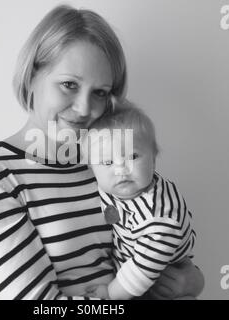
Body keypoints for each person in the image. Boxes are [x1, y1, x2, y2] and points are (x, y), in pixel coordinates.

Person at [0, 5, 204, 300]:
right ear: (32, 75)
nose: (85, 109)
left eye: (100, 92)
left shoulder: (106, 163)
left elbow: (159, 235)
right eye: (69, 84)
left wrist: (192, 281)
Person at [81, 101, 197, 299]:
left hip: (158, 277)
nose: (121, 169)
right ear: (92, 168)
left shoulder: (159, 215)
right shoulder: (112, 187)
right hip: (132, 264)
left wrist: (110, 294)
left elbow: (142, 270)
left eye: (133, 156)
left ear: (154, 157)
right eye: (107, 162)